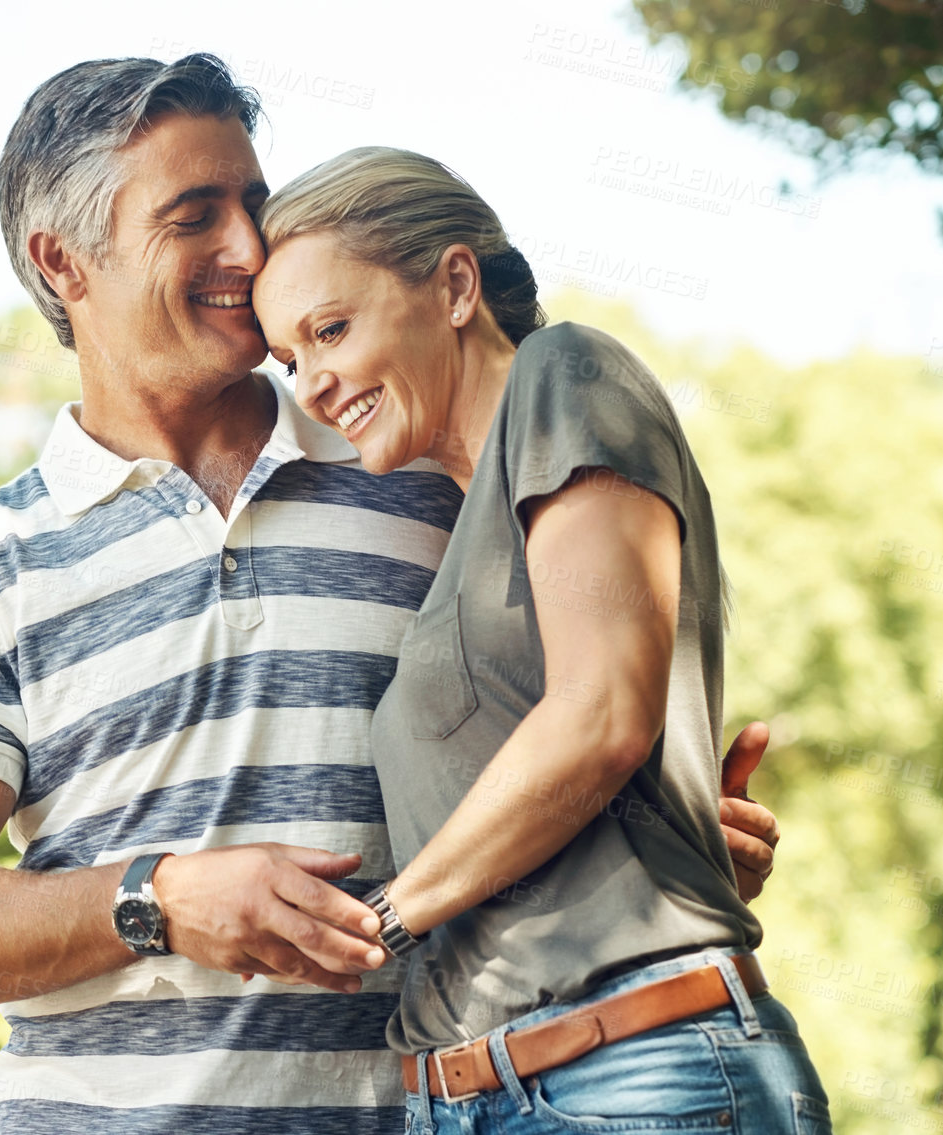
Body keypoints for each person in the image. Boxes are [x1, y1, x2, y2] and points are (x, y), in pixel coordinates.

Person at [0, 55, 784, 1134]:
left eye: (252, 203)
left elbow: (581, 721)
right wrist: (154, 898)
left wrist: (645, 848)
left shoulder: (428, 475)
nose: (249, 250)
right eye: (195, 216)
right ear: (64, 262)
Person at [253, 146, 828, 1133]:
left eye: (332, 330)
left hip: (631, 1078)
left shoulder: (565, 375)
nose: (313, 384)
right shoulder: (459, 530)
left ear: (456, 286)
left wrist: (381, 918)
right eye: (291, 359)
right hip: (476, 1097)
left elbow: (601, 715)